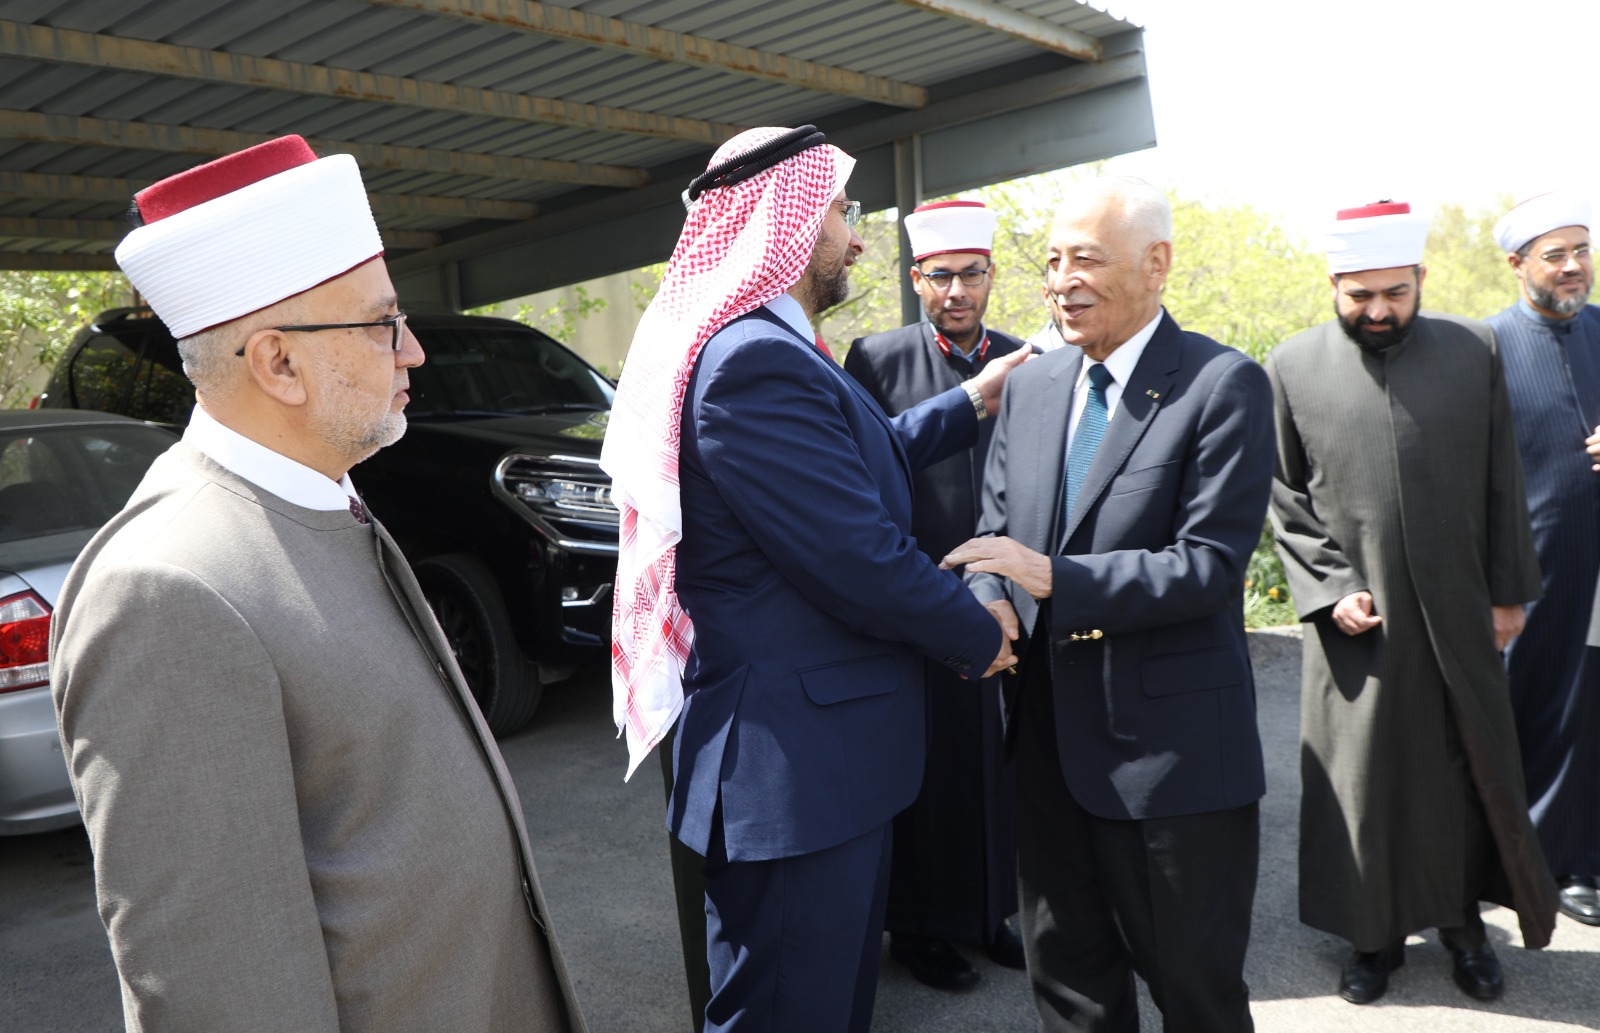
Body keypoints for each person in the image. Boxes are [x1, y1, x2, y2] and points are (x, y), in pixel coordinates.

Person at [47, 136, 584, 1031]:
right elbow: (222, 992)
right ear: (278, 364)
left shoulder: (317, 496)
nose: (414, 351)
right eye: (383, 323)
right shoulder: (167, 588)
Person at [601, 126, 1024, 1033]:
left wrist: (970, 399)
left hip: (823, 770)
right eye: (842, 211)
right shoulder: (751, 363)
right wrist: (977, 632)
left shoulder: (773, 349)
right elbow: (857, 554)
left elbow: (850, 464)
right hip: (792, 777)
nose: (857, 237)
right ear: (786, 222)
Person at [944, 176, 1273, 1033]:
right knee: (1070, 989)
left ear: (1156, 263)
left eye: (1085, 259)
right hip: (1046, 751)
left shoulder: (1221, 383)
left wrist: (1054, 579)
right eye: (1052, 261)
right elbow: (994, 533)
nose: (1061, 281)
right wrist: (991, 595)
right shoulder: (1033, 386)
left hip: (1170, 764)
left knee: (1195, 994)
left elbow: (1208, 566)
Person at [1267, 200, 1557, 1006]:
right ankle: (1373, 936)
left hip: (1462, 606)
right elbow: (1284, 495)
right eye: (1360, 295)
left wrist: (1508, 593)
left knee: (1463, 771)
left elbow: (1504, 476)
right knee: (1369, 779)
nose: (1378, 310)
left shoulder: (1473, 348)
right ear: (1332, 284)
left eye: (1395, 292)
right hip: (1357, 619)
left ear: (1421, 277)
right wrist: (1329, 589)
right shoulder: (1290, 364)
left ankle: (1464, 929)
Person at [843, 200, 1027, 990]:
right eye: (941, 276)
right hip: (920, 596)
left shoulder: (1024, 359)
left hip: (1010, 594)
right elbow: (858, 475)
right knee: (931, 766)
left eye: (971, 274)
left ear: (991, 275)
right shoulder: (875, 359)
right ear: (917, 278)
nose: (958, 291)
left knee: (1002, 762)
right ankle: (921, 928)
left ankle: (991, 912)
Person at [1486, 190, 1600, 927]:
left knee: (1589, 708)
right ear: (1516, 264)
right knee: (1532, 707)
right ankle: (1529, 858)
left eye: (1581, 250)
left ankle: (1581, 859)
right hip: (1528, 568)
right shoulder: (1486, 347)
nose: (1572, 266)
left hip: (1598, 567)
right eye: (1554, 254)